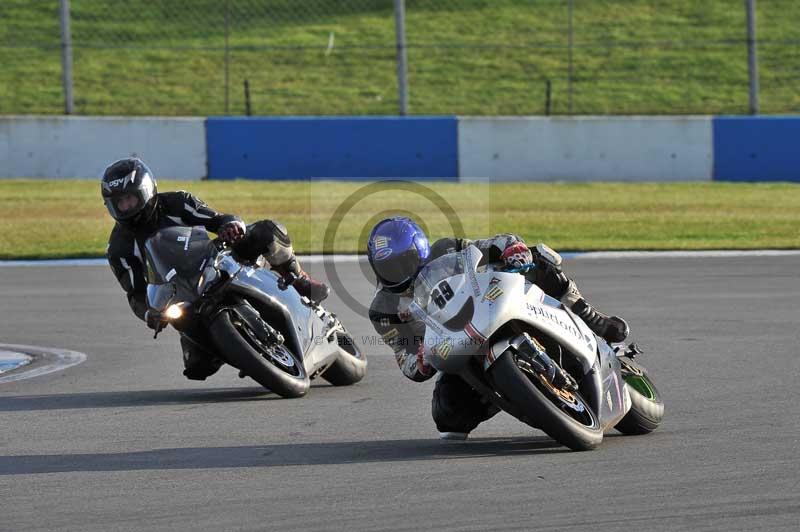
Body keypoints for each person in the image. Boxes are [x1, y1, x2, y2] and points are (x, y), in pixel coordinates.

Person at [366, 216, 629, 440]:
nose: (396, 272)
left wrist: (512, 248)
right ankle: (512, 391)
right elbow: (404, 355)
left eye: (402, 261)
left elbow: (491, 245)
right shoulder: (382, 310)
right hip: (457, 348)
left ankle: (588, 314)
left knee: (537, 257)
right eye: (387, 267)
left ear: (419, 250)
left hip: (489, 304)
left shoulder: (445, 249)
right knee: (448, 419)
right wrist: (419, 362)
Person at [102, 157, 329, 380]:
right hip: (182, 297)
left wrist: (229, 226)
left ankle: (297, 278)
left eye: (130, 199)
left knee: (265, 232)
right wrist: (149, 313)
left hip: (214, 262)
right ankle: (244, 351)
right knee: (197, 367)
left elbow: (216, 219)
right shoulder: (119, 249)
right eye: (119, 203)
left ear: (146, 190)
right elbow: (136, 293)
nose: (126, 207)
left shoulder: (177, 202)